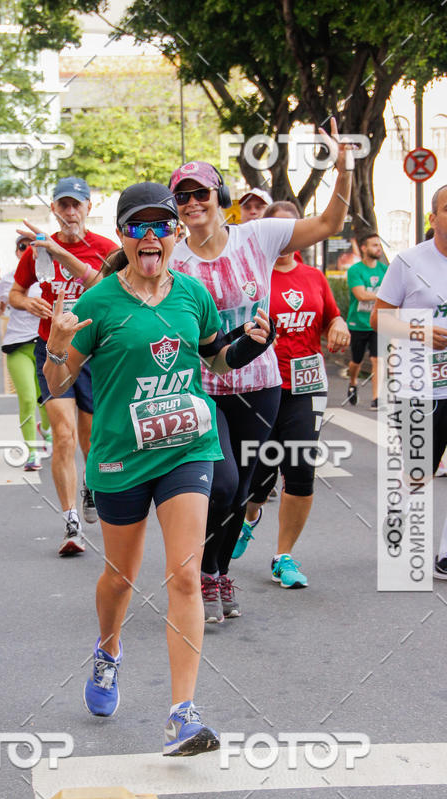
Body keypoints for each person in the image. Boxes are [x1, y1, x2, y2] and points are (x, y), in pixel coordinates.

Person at [44, 182, 273, 755]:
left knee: (185, 575)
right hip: (121, 455)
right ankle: (108, 650)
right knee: (120, 578)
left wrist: (248, 346)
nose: (150, 236)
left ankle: (182, 715)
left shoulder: (193, 294)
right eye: (137, 226)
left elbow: (215, 358)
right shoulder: (98, 303)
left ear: (175, 233)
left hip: (186, 447)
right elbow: (59, 383)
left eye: (161, 225)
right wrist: (55, 347)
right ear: (122, 235)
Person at [168, 119, 353, 622]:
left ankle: (218, 571)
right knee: (222, 483)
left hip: (261, 386)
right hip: (204, 389)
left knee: (244, 490)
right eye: (182, 197)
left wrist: (343, 169)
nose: (192, 203)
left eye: (201, 193)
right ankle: (202, 570)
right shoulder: (174, 260)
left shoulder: (258, 236)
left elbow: (329, 224)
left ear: (219, 197)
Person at [232, 202, 350, 586]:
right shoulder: (253, 275)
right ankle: (250, 517)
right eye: (277, 229)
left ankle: (283, 556)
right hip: (262, 386)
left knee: (300, 468)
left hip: (307, 386)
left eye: (291, 229)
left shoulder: (314, 277)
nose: (284, 238)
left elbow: (331, 315)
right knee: (259, 474)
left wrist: (339, 324)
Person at [10, 177, 117, 556]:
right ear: (54, 209)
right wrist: (28, 303)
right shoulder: (37, 250)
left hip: (93, 351)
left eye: (76, 204)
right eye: (63, 205)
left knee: (91, 437)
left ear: (89, 207)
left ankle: (90, 485)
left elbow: (115, 290)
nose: (70, 212)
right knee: (64, 434)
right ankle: (71, 521)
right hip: (52, 348)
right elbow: (15, 292)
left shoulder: (105, 249)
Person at [371, 183, 447, 580]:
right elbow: (378, 318)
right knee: (420, 471)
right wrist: (421, 332)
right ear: (433, 217)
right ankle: (399, 518)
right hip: (419, 384)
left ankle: (445, 555)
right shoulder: (409, 261)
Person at [0, 235, 52, 471]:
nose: (29, 250)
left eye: (34, 245)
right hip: (17, 345)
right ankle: (32, 452)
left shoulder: (50, 276)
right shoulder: (9, 280)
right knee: (28, 398)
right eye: (23, 246)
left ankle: (46, 430)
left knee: (46, 400)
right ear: (17, 252)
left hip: (45, 345)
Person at [346, 233, 387, 409]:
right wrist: (383, 296)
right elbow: (361, 295)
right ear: (364, 248)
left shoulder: (385, 270)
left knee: (378, 359)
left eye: (379, 245)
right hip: (358, 323)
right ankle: (353, 382)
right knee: (356, 361)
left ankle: (376, 397)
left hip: (378, 322)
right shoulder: (355, 270)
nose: (378, 248)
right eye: (374, 245)